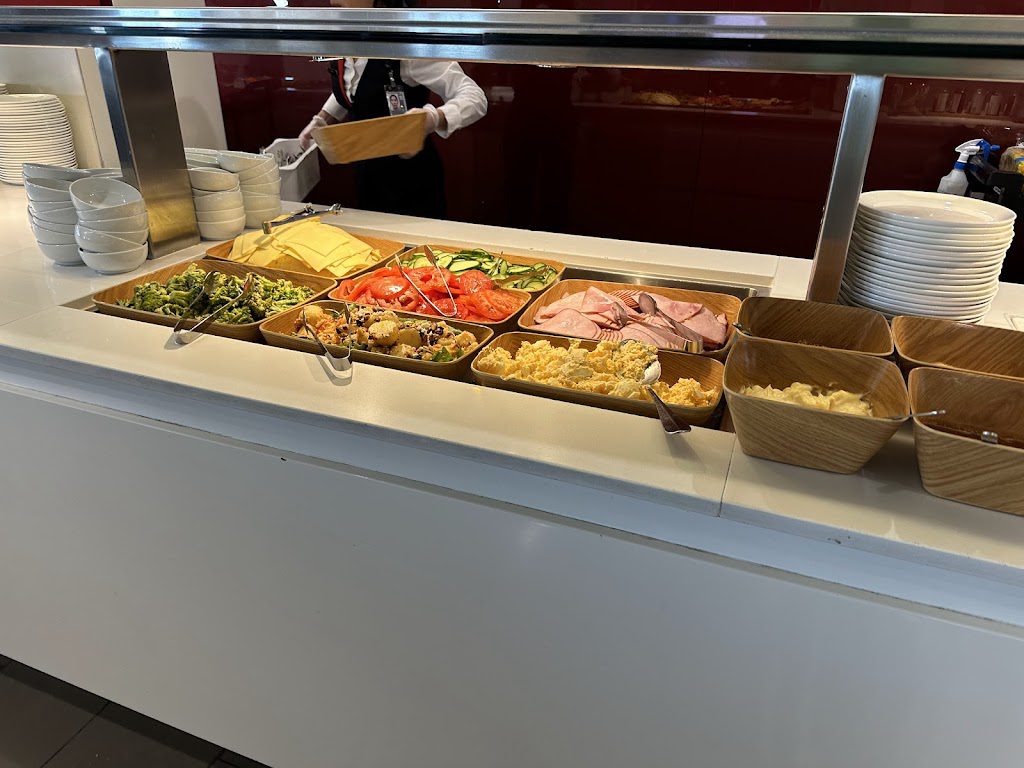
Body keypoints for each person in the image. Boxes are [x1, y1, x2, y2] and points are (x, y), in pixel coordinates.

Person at [298, 0, 488, 219]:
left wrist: (433, 119)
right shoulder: (346, 42)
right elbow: (354, 89)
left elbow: (475, 97)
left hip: (412, 185)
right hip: (367, 178)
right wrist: (322, 118)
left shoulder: (407, 44)